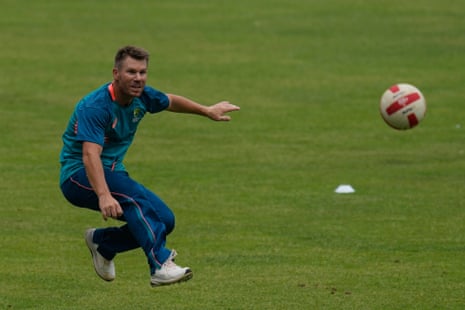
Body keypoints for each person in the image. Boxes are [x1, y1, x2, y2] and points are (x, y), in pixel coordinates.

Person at [59, 45, 240, 287]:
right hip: (78, 175)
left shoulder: (141, 96)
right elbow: (90, 155)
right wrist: (103, 195)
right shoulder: (95, 106)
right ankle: (160, 265)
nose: (138, 78)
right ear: (116, 74)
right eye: (131, 72)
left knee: (164, 220)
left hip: (112, 171)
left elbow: (170, 101)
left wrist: (206, 111)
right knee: (135, 200)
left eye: (143, 72)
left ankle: (104, 244)